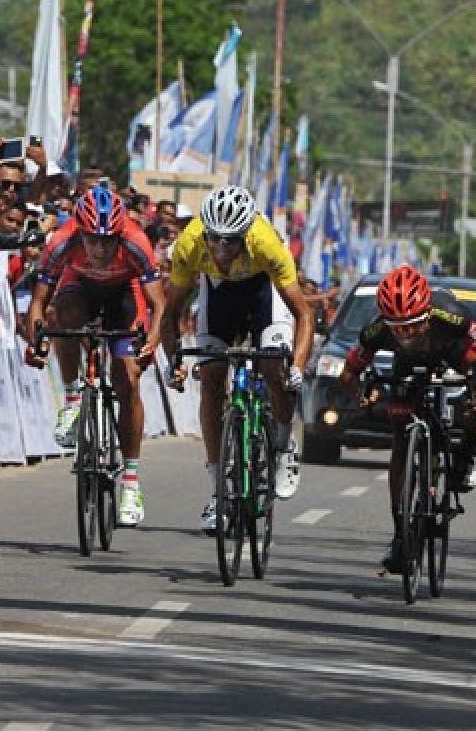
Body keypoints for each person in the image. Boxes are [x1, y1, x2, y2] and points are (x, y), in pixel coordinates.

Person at [335, 264, 476, 574]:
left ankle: (465, 454)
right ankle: (400, 534)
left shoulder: (450, 314)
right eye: (398, 328)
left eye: (413, 326)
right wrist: (363, 396)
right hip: (407, 367)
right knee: (401, 436)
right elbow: (348, 374)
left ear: (427, 316)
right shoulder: (377, 331)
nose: (406, 334)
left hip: (452, 350)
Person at [161, 184, 313, 533]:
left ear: (246, 233)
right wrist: (174, 361)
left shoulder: (266, 243)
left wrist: (298, 369)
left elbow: (304, 315)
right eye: (216, 238)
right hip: (218, 296)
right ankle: (218, 491)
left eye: (232, 240)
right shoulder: (189, 245)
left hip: (263, 291)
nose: (222, 247)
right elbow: (170, 315)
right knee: (212, 377)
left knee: (274, 366)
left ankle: (284, 443)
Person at [24, 184, 165, 528]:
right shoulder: (62, 241)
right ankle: (73, 398)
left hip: (124, 296)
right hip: (80, 289)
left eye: (108, 240)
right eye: (93, 240)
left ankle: (130, 481)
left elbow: (160, 304)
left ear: (120, 233)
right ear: (80, 231)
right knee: (63, 316)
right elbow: (38, 304)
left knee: (126, 379)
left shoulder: (135, 241)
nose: (100, 248)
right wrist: (37, 342)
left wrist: (154, 338)